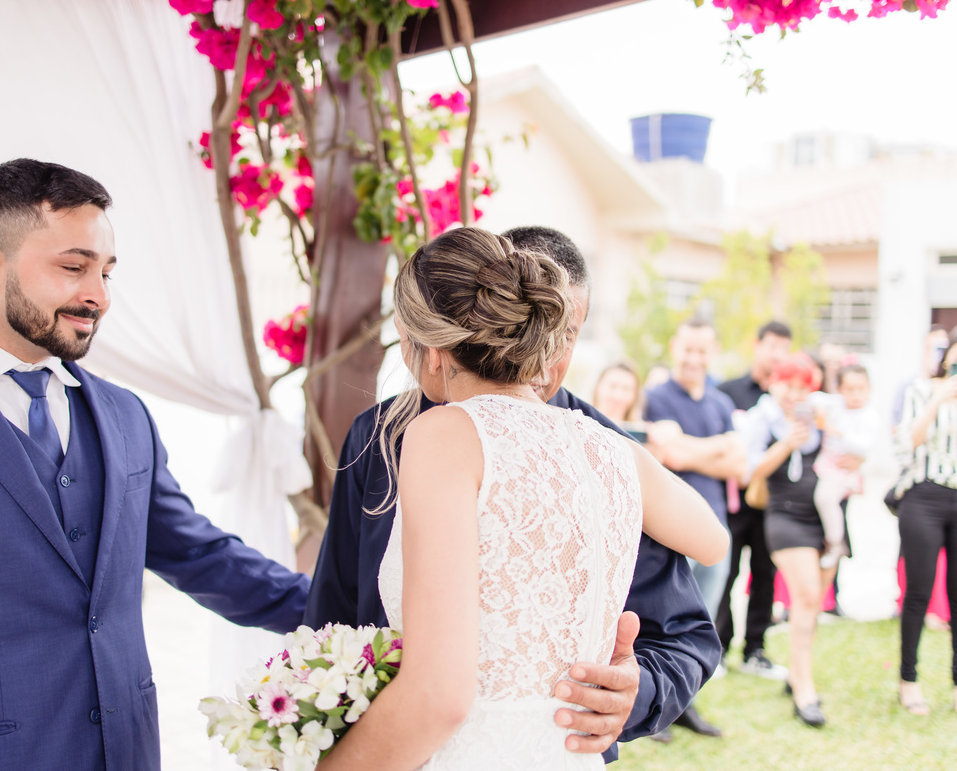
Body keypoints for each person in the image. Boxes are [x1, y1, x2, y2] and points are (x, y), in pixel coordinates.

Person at [0, 159, 310, 771]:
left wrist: (353, 605)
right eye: (73, 267)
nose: (97, 295)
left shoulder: (124, 415)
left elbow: (199, 555)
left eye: (105, 271)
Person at [312, 227, 728, 770]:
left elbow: (439, 696)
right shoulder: (610, 449)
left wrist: (638, 688)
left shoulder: (441, 437)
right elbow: (714, 542)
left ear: (432, 349)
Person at [641, 318, 743, 742]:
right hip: (670, 528)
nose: (694, 358)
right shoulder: (656, 398)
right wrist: (718, 446)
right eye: (688, 349)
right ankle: (653, 707)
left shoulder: (719, 403)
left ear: (712, 351)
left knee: (701, 625)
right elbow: (669, 457)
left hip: (716, 526)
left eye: (703, 351)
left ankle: (685, 704)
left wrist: (694, 448)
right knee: (661, 621)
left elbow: (739, 464)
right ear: (674, 346)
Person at [893, 321, 957, 721]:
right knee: (918, 593)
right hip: (925, 497)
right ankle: (909, 681)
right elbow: (911, 440)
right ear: (946, 356)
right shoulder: (921, 390)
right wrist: (940, 397)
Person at [741, 354, 838, 727]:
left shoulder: (819, 415)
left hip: (822, 516)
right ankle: (804, 690)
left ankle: (799, 672)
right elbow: (750, 471)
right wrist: (786, 443)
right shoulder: (761, 419)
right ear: (774, 384)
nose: (794, 393)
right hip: (784, 516)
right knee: (807, 595)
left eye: (802, 386)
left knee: (811, 604)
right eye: (788, 385)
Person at [714, 320, 793, 680]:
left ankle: (755, 649)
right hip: (733, 503)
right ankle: (718, 646)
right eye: (771, 345)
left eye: (783, 347)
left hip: (775, 504)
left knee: (765, 575)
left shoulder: (790, 397)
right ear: (757, 345)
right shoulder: (728, 392)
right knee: (726, 574)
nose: (776, 354)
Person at [812, 364, 877, 569]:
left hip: (844, 469)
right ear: (839, 389)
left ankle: (835, 542)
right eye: (849, 389)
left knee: (825, 499)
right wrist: (820, 411)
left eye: (861, 389)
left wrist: (839, 432)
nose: (856, 395)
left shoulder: (869, 415)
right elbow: (815, 398)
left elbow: (865, 446)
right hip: (826, 464)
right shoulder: (837, 405)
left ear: (869, 389)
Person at [592, 359, 643, 425]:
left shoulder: (640, 432)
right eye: (612, 386)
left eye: (626, 389)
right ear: (598, 387)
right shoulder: (578, 424)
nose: (618, 396)